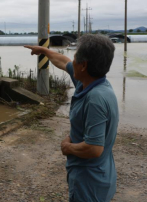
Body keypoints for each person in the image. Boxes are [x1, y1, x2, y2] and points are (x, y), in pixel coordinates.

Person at [25, 34, 119, 202]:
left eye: (75, 57)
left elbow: (94, 148)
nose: (72, 61)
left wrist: (67, 147)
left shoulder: (95, 99)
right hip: (100, 174)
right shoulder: (92, 83)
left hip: (89, 181)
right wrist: (45, 51)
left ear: (83, 65)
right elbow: (63, 61)